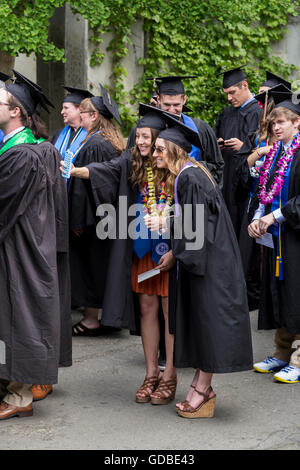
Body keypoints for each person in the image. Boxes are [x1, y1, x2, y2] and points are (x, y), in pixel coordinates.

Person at [61, 104, 178, 405]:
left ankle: (169, 375)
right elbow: (106, 170)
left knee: (169, 311)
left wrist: (178, 247)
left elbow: (192, 209)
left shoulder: (176, 168)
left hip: (167, 249)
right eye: (138, 136)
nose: (140, 142)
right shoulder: (131, 161)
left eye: (146, 137)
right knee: (146, 309)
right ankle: (151, 373)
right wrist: (75, 170)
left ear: (159, 140)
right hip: (142, 250)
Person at [146, 114, 253, 418]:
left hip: (212, 267)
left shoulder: (190, 177)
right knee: (203, 324)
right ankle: (200, 385)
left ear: (177, 151)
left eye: (159, 149)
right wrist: (176, 256)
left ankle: (203, 390)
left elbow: (197, 225)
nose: (154, 155)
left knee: (207, 325)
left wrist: (164, 221)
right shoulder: (192, 172)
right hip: (211, 260)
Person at [0, 72, 65, 419]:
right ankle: (8, 384)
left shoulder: (23, 155)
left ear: (16, 112)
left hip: (20, 250)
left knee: (18, 319)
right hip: (16, 246)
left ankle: (19, 395)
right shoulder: (26, 149)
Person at [248, 91, 300, 383]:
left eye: (281, 123)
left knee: (297, 293)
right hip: (277, 237)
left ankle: (299, 357)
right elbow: (265, 193)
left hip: (295, 236)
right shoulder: (276, 152)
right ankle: (281, 353)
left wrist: (274, 217)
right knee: (281, 292)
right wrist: (257, 218)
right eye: (273, 124)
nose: (276, 128)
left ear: (297, 122)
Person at [67, 84, 126, 336]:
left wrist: (78, 221)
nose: (78, 115)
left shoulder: (96, 145)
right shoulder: (104, 140)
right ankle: (105, 316)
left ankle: (92, 318)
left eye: (83, 111)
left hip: (93, 219)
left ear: (94, 116)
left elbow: (87, 187)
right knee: (101, 266)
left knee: (91, 267)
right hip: (105, 217)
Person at [128, 76, 224, 186]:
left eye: (177, 105)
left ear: (184, 100)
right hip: (150, 196)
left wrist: (190, 167)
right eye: (167, 105)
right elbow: (131, 163)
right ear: (158, 100)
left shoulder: (201, 129)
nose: (172, 110)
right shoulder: (143, 130)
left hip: (188, 196)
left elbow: (217, 166)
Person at [214, 65, 262, 238]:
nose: (229, 98)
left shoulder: (260, 111)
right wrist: (217, 144)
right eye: (226, 93)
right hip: (227, 179)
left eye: (232, 92)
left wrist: (244, 147)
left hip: (247, 184)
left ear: (245, 85)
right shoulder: (226, 114)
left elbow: (268, 148)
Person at [51, 85, 94, 156]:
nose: (62, 112)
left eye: (66, 108)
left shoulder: (92, 136)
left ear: (80, 109)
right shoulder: (58, 134)